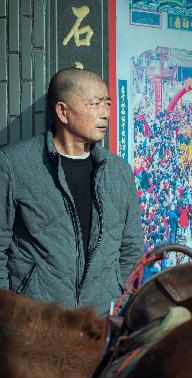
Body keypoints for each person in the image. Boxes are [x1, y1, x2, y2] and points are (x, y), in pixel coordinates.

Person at [0, 68, 143, 314]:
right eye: (95, 104)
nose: (105, 114)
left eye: (107, 104)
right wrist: (8, 312)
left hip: (98, 321)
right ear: (63, 111)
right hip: (36, 319)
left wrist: (118, 301)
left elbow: (132, 248)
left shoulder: (119, 171)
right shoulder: (15, 165)